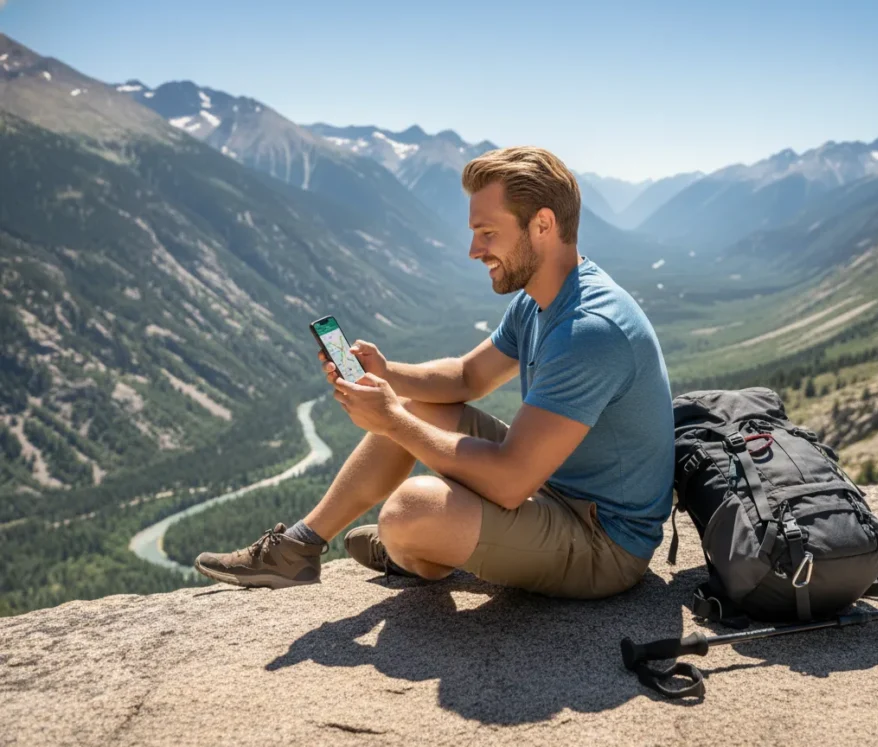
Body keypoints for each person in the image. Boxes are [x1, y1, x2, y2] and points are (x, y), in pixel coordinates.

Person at [194, 147, 675, 599]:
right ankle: (298, 547)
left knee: (407, 512)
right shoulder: (541, 298)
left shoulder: (588, 330)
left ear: (543, 225)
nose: (473, 250)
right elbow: (468, 376)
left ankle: (421, 545)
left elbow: (510, 483)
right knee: (420, 407)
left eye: (488, 233)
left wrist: (391, 422)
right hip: (555, 488)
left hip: (604, 543)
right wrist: (387, 374)